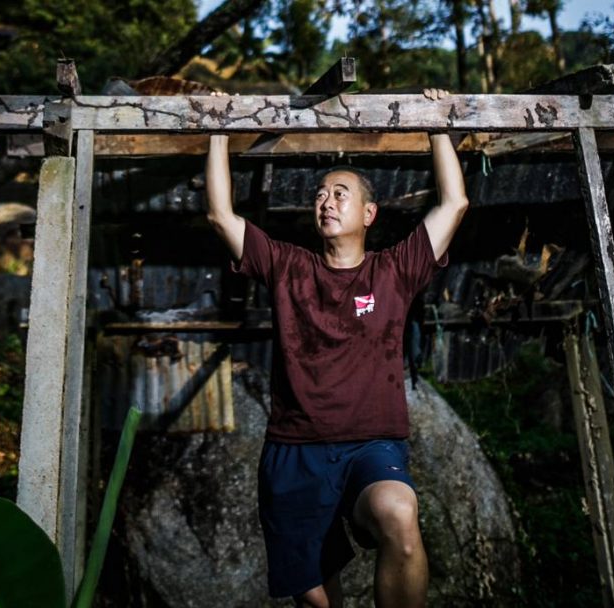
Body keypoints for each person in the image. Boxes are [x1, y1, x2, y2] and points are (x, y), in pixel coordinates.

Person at [204, 89, 469, 608]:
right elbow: (220, 214)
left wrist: (439, 125)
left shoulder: (394, 269)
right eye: (321, 193)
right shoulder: (288, 266)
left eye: (340, 193)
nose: (326, 200)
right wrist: (216, 127)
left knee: (398, 512)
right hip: (294, 452)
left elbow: (455, 202)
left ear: (369, 213)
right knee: (319, 600)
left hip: (371, 445)